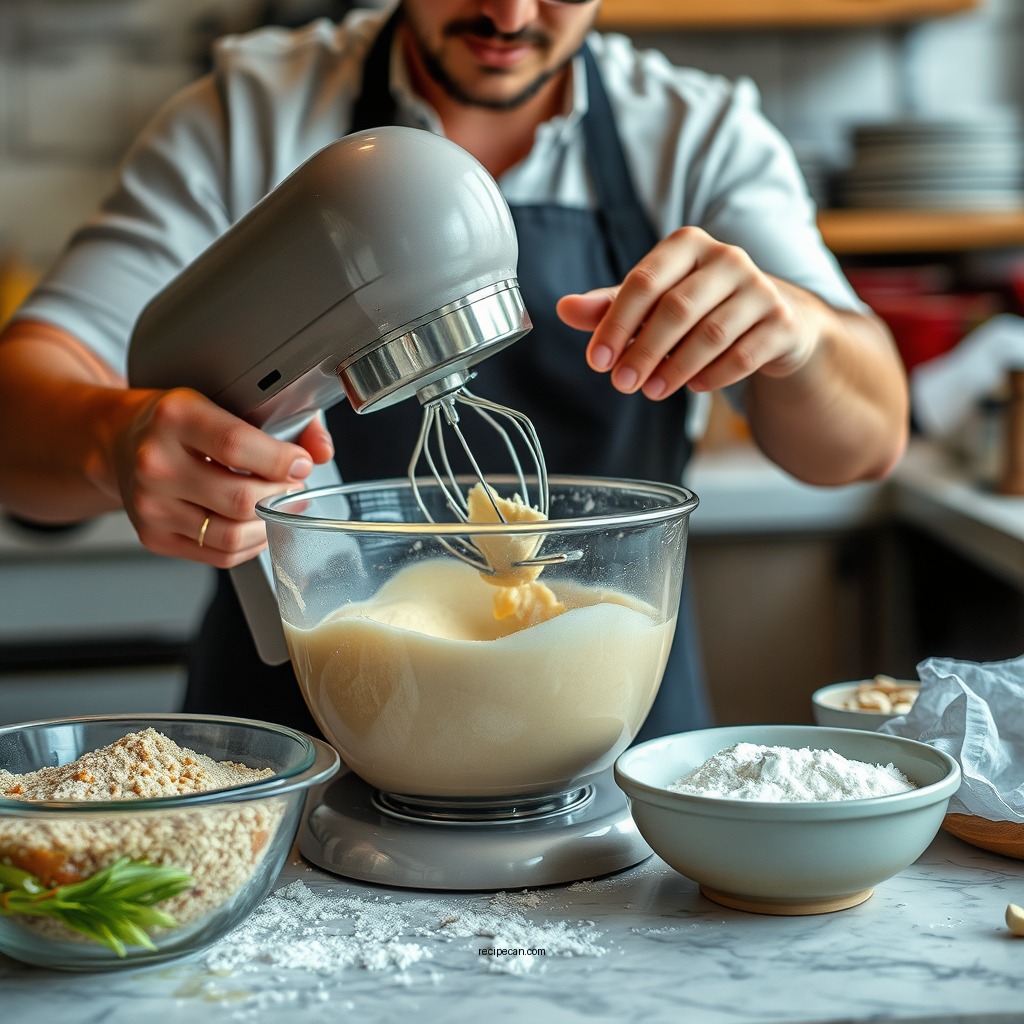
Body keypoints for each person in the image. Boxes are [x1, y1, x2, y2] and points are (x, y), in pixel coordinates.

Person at [0, 0, 908, 742]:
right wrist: (112, 442)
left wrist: (799, 334)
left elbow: (868, 442)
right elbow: (24, 398)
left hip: (607, 734)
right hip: (301, 744)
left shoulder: (694, 134)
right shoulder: (253, 114)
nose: (508, 15)